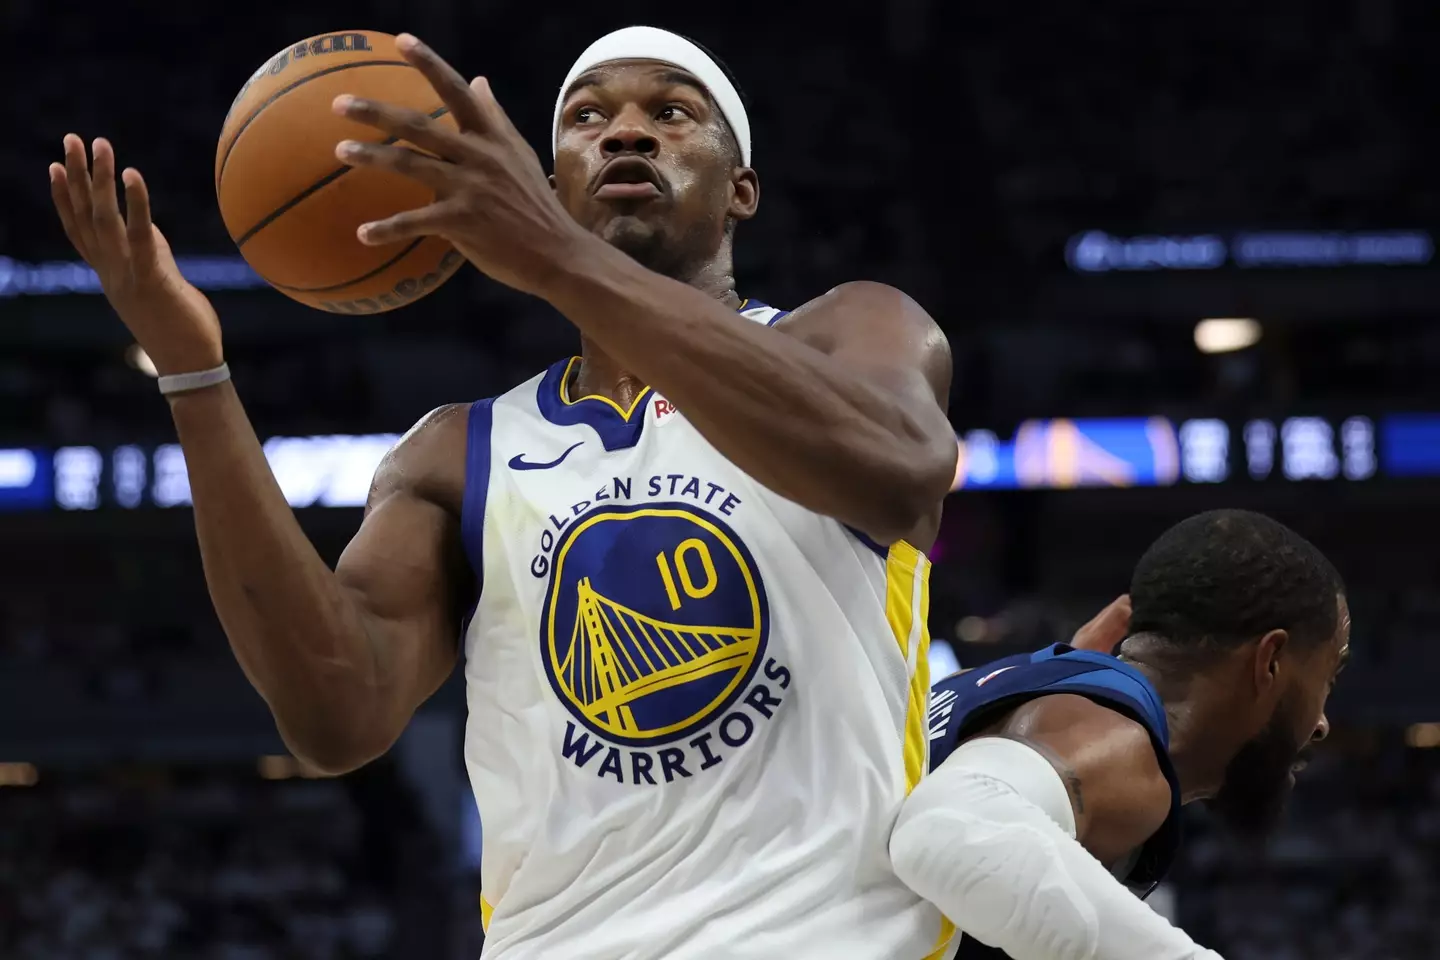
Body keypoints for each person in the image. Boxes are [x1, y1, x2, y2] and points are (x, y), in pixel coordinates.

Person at [50, 25, 960, 960]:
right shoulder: (456, 453)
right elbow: (335, 716)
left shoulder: (850, 329)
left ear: (742, 190)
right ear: (553, 184)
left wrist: (557, 259)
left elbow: (896, 474)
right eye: (588, 116)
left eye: (672, 113)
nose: (627, 133)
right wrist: (196, 376)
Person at [891, 509, 1351, 960]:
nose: (1322, 724)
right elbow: (945, 830)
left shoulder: (1035, 688)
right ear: (1270, 660)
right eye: (1328, 677)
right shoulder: (1120, 741)